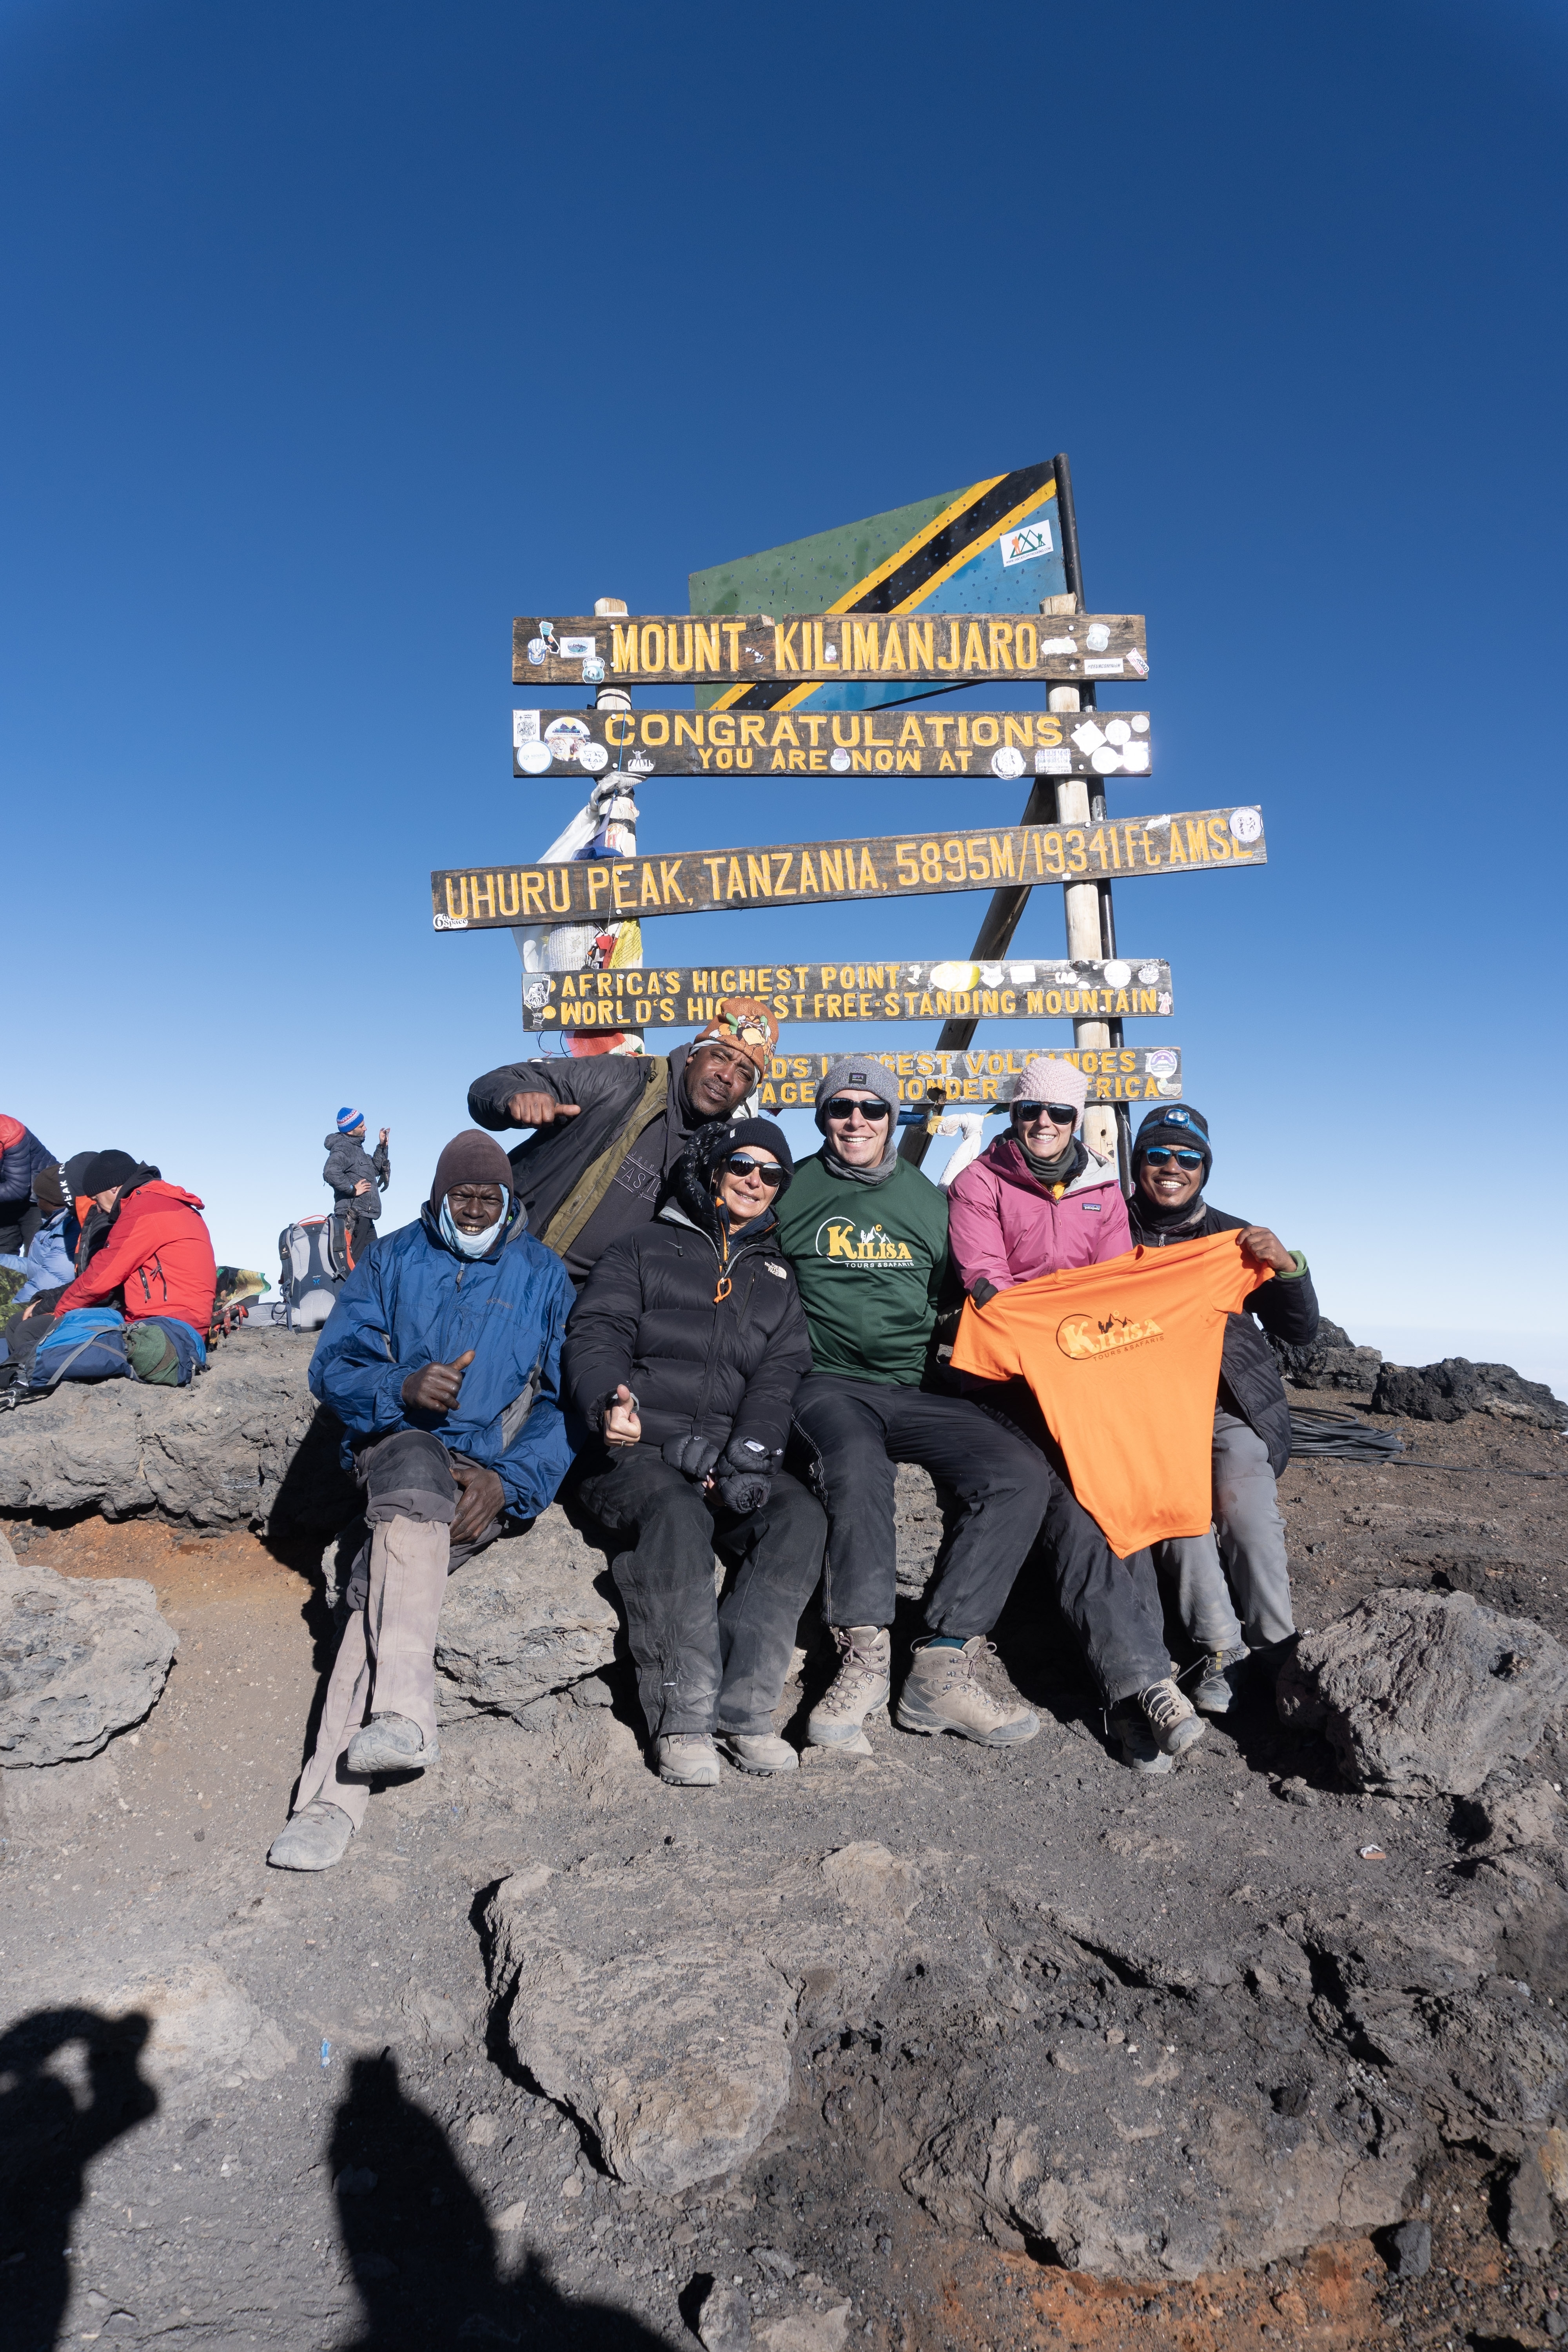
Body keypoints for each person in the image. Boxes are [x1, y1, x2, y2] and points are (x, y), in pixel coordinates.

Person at [775, 1057, 1203, 1771]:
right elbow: (986, 1284)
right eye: (840, 1109)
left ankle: (977, 1669)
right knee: (857, 1464)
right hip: (908, 1382)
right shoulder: (813, 1190)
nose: (856, 1120)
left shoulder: (963, 1195)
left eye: (873, 1109)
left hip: (1007, 1383)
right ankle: (865, 1660)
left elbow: (1116, 1290)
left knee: (1044, 1482)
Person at [268, 1131, 574, 1872]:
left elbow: (568, 1402)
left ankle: (329, 1805)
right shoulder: (393, 1256)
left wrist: (512, 1484)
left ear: (508, 1201)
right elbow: (334, 1364)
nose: (472, 1210)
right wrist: (401, 1387)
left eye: (487, 1197)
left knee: (372, 1586)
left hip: (483, 1470)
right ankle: (405, 1715)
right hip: (397, 1442)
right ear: (436, 1198)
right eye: (459, 1196)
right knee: (411, 1457)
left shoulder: (543, 1274)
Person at [564, 1118, 826, 1786]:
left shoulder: (776, 1275)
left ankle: (744, 1713)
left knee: (798, 1519)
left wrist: (749, 1452)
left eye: (773, 1175)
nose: (755, 1181)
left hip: (721, 1454)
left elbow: (780, 1372)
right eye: (743, 1165)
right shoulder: (642, 1248)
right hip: (634, 1449)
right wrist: (607, 1408)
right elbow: (596, 1334)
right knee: (676, 1517)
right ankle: (682, 1718)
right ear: (713, 1169)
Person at [1125, 1103, 1319, 1712]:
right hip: (1144, 1412)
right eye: (1158, 1155)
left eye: (1188, 1158)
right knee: (1178, 1516)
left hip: (1224, 1406)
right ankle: (1221, 1650)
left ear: (1205, 1169)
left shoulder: (1234, 1239)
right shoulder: (1106, 1232)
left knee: (1247, 1504)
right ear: (1139, 1163)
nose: (1173, 1167)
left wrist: (1288, 1268)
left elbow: (1301, 1330)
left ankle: (1277, 1650)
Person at [468, 999, 775, 1286]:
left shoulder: (726, 1149)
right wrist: (517, 1097)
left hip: (598, 1305)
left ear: (747, 1091)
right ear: (693, 1055)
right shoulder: (623, 1078)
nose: (726, 1076)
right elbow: (496, 1083)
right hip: (512, 1265)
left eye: (744, 1074)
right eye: (720, 1057)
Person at [946, 1056, 1131, 1297]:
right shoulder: (979, 1183)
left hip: (1085, 1325)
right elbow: (987, 1277)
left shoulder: (1102, 1187)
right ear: (1016, 1116)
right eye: (1030, 1109)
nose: (1044, 1122)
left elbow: (1114, 1277)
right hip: (1011, 1320)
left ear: (1074, 1122)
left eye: (1060, 1113)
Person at [38, 1150, 216, 1386]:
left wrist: (59, 1314)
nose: (99, 1209)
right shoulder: (159, 1203)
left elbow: (99, 1278)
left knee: (51, 1344)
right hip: (163, 1324)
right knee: (54, 1336)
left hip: (170, 1331)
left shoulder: (146, 1210)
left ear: (113, 1188)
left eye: (96, 1199)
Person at [323, 1108, 391, 1267]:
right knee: (357, 1265)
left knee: (373, 1261)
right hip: (353, 1217)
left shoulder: (357, 1149)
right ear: (350, 1131)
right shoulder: (344, 1149)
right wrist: (353, 1190)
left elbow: (373, 1170)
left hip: (366, 1217)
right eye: (362, 1126)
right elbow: (330, 1172)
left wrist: (382, 1147)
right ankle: (352, 1292)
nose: (366, 1129)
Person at [0, 1165, 74, 1302]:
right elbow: (34, 1266)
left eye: (39, 1198)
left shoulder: (67, 1233)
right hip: (36, 1287)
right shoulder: (54, 1224)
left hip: (44, 1300)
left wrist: (15, 1308)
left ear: (51, 1201)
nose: (38, 1204)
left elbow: (52, 1280)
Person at [0, 1114, 56, 1257]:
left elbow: (17, 1188)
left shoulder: (9, 1130)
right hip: (5, 1200)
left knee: (36, 1252)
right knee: (3, 1254)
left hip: (38, 1198)